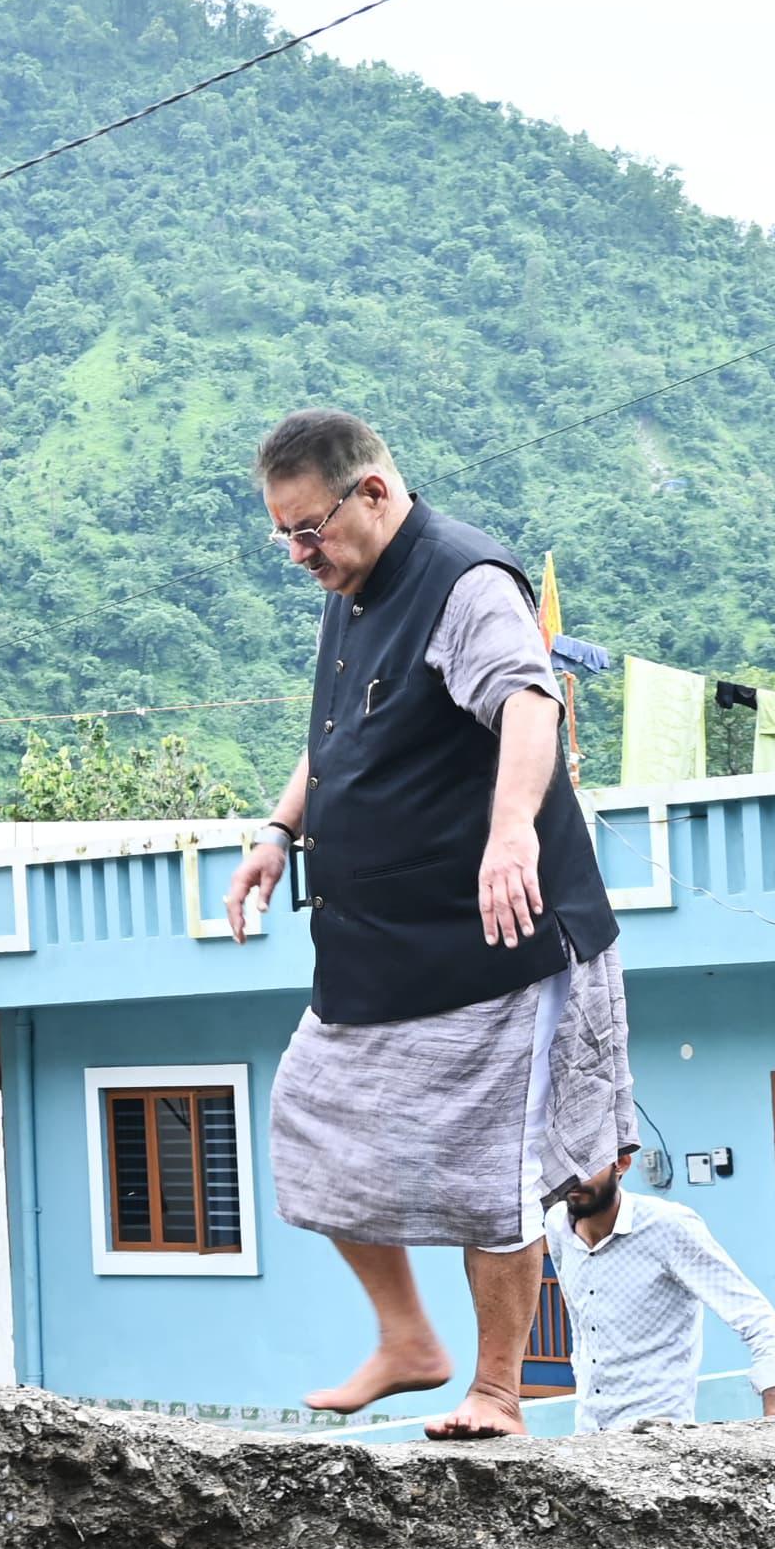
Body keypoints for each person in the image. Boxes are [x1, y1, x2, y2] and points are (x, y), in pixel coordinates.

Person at [224, 409, 627, 1441]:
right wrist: (278, 831)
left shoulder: (463, 582)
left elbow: (530, 702)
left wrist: (509, 837)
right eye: (284, 536)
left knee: (494, 1173)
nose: (298, 554)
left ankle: (498, 1390)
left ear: (373, 491)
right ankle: (409, 1340)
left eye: (309, 529)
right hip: (377, 945)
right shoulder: (352, 590)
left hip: (494, 938)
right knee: (312, 1128)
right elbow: (341, 737)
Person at [547, 1148, 775, 1431]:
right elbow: (579, 1321)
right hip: (588, 1431)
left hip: (659, 1432)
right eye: (562, 1163)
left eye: (586, 1163)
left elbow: (753, 1314)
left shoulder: (669, 1226)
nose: (572, 1176)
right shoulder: (556, 1225)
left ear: (622, 1163)